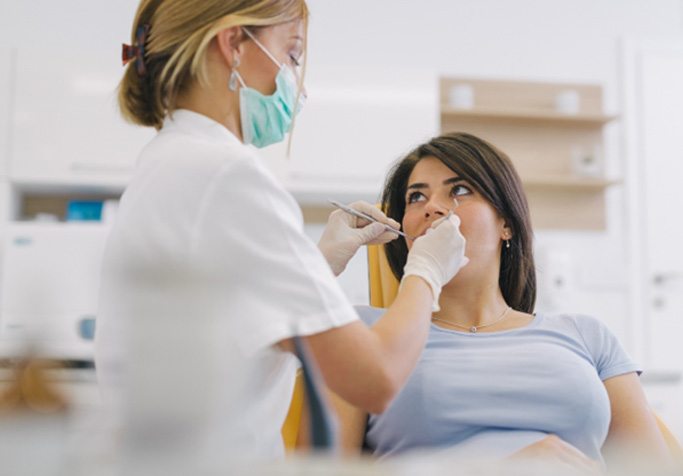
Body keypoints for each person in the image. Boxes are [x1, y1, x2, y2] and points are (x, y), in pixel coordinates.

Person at [94, 0, 468, 461]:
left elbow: (236, 314)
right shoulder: (225, 174)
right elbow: (376, 378)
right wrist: (427, 270)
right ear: (233, 43)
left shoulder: (170, 160)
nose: (299, 83)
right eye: (292, 55)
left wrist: (320, 262)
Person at [331, 132, 671, 472]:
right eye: (416, 196)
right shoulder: (358, 330)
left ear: (506, 223)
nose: (432, 206)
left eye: (460, 190)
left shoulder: (587, 336)